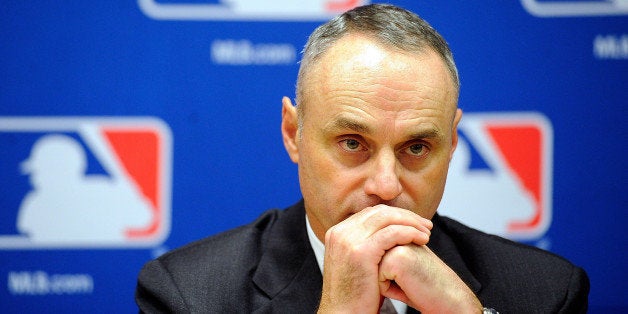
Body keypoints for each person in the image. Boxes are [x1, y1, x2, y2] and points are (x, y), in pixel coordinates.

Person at [135, 4, 589, 313]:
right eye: (353, 143)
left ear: (452, 143)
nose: (386, 186)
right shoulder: (189, 296)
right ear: (294, 133)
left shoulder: (544, 291)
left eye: (417, 148)